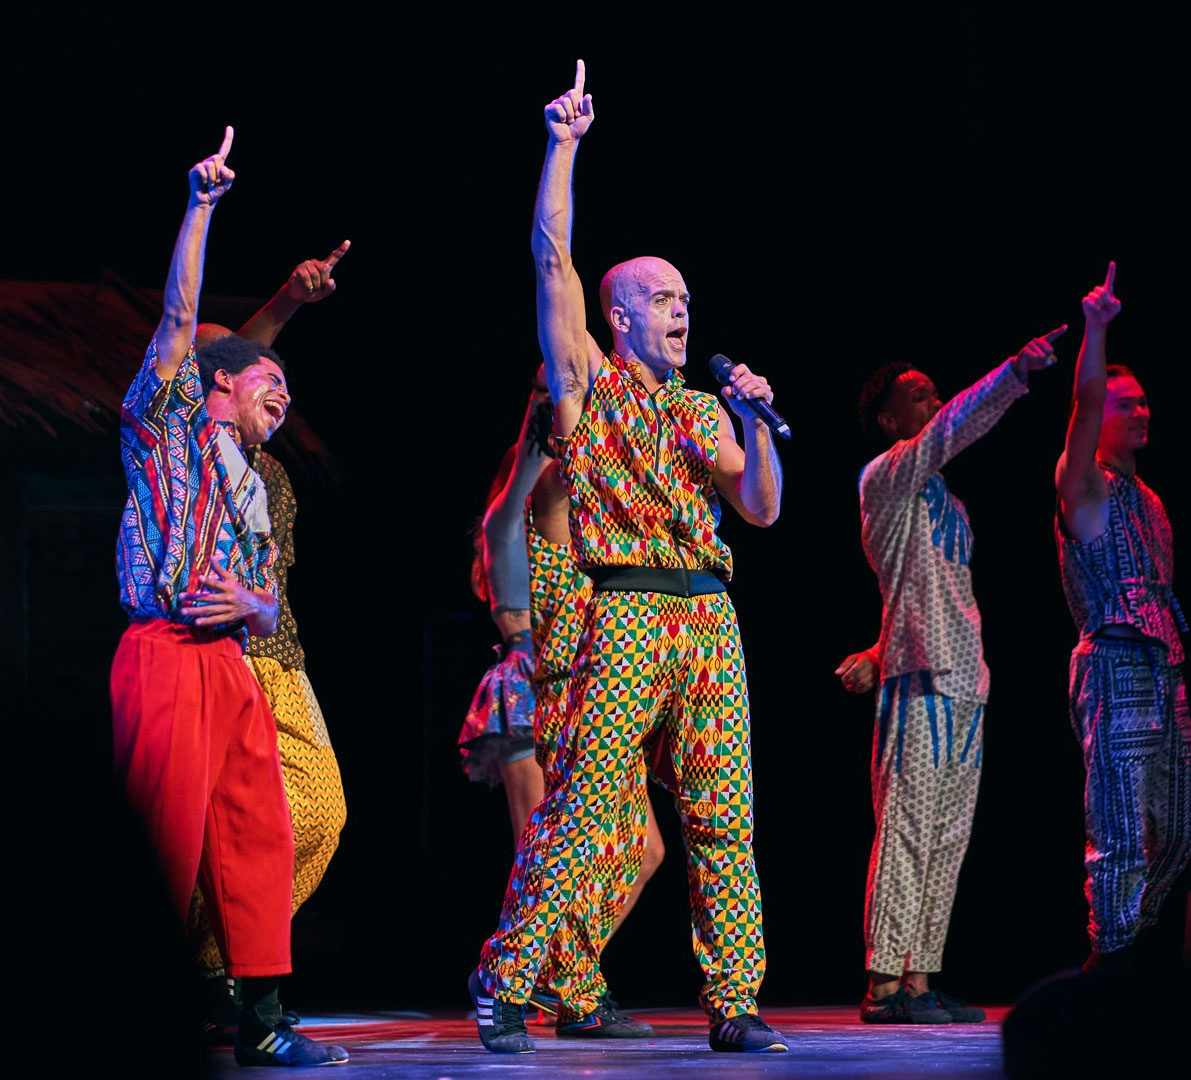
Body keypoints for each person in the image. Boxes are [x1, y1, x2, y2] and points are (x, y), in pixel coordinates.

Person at [471, 61, 789, 1056]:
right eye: (661, 298)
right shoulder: (589, 391)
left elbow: (764, 507)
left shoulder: (701, 412)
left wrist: (755, 417)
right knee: (584, 809)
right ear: (621, 316)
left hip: (710, 616)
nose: (680, 309)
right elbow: (551, 257)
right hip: (627, 613)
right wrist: (564, 144)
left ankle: (734, 1003)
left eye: (686, 295)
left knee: (721, 814)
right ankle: (510, 982)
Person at [109, 126, 345, 1067]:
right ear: (216, 382)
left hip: (235, 665)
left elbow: (261, 589)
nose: (282, 391)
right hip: (164, 654)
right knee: (162, 838)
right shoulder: (162, 429)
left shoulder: (251, 480)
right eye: (268, 377)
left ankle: (264, 1022)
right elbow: (178, 320)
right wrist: (201, 208)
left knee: (258, 834)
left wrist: (252, 609)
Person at [836, 327, 1067, 1024]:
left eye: (935, 391)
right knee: (906, 827)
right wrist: (1014, 372)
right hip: (921, 680)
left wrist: (875, 649)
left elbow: (918, 591)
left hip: (967, 679)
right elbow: (951, 431)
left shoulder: (949, 504)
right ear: (889, 421)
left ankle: (918, 979)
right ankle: (884, 983)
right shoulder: (884, 478)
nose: (933, 400)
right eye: (918, 395)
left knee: (948, 837)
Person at [181, 244, 353, 1042]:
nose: (270, 380)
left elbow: (247, 370)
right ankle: (227, 984)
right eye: (253, 373)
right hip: (209, 657)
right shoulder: (184, 454)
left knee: (319, 811)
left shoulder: (270, 475)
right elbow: (218, 363)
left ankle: (217, 958)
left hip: (280, 657)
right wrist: (283, 299)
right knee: (201, 828)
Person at [461, 377, 665, 1038]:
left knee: (644, 851)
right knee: (546, 852)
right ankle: (546, 984)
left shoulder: (598, 541)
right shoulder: (522, 528)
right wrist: (533, 437)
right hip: (542, 703)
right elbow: (502, 513)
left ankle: (559, 974)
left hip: (605, 703)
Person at [1053, 262, 1191, 973]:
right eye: (1126, 405)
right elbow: (1081, 407)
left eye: (1145, 403)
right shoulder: (1085, 489)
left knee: (1179, 832)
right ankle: (1110, 964)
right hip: (1114, 666)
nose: (1142, 413)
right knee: (1119, 834)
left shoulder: (1153, 501)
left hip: (1163, 669)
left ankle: (1129, 945)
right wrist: (1097, 329)